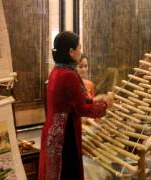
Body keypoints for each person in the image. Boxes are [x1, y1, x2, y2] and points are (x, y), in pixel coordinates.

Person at [38, 31, 113, 180]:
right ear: (71, 52)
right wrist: (105, 104)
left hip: (54, 132)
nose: (81, 51)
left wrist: (95, 100)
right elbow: (82, 109)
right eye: (79, 47)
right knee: (68, 174)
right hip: (66, 136)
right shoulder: (68, 75)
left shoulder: (57, 71)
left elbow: (74, 100)